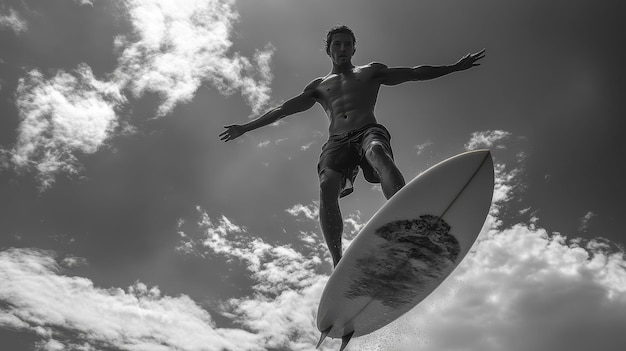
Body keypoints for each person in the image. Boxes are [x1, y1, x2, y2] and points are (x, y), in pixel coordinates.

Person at [220, 25, 485, 267]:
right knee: (326, 186)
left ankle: (410, 223)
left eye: (348, 44)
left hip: (368, 130)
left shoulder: (371, 72)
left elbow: (414, 73)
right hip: (336, 141)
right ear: (329, 49)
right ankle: (338, 261)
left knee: (377, 151)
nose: (343, 49)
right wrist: (245, 128)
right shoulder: (318, 86)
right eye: (337, 44)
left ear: (354, 48)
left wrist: (454, 67)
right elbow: (282, 110)